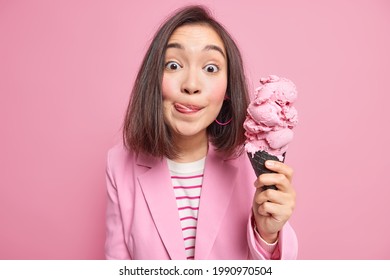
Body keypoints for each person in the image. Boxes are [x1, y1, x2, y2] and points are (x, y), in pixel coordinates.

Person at [105, 5, 298, 260]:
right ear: (153, 79)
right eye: (173, 65)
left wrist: (268, 235)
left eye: (210, 68)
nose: (191, 85)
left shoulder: (252, 163)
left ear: (228, 88)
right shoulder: (119, 164)